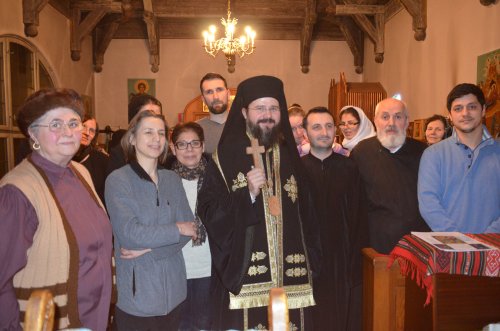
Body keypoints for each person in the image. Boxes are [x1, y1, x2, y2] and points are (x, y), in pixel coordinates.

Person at [197, 75, 320, 330]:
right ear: (244, 112)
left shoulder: (290, 155)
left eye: (274, 108)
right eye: (260, 108)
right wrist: (247, 195)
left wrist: (314, 261)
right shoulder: (226, 157)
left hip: (291, 273)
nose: (268, 114)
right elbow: (208, 210)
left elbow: (309, 213)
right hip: (244, 276)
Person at [0, 88, 112, 330]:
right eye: (55, 125)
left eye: (73, 123)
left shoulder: (80, 172)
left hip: (95, 316)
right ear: (33, 134)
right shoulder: (17, 192)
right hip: (53, 322)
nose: (68, 132)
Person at [105, 110, 197, 330]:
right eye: (148, 132)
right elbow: (130, 234)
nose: (156, 139)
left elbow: (190, 229)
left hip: (174, 295)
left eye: (161, 133)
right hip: (139, 299)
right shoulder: (118, 180)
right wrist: (176, 229)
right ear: (132, 138)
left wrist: (150, 250)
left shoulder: (172, 179)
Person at [301, 107, 367, 331]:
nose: (324, 132)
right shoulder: (296, 172)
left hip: (342, 260)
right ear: (305, 132)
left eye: (329, 126)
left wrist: (354, 261)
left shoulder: (350, 168)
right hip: (306, 260)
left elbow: (359, 218)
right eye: (316, 127)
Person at [350, 98, 430, 254]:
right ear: (375, 121)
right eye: (385, 117)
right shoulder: (361, 152)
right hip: (374, 244)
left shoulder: (423, 153)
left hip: (416, 243)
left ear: (407, 122)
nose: (391, 123)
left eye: (398, 117)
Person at [418, 83, 500, 233]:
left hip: (494, 247)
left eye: (472, 107)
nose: (465, 113)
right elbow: (428, 203)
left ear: (483, 110)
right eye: (458, 108)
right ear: (449, 115)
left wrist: (487, 238)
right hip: (448, 247)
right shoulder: (433, 155)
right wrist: (456, 239)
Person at [166, 122, 212, 331]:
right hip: (176, 268)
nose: (189, 150)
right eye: (182, 144)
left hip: (210, 267)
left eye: (194, 143)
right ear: (172, 148)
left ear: (203, 146)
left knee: (206, 324)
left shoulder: (217, 179)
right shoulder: (163, 181)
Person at [107, 94, 162, 175]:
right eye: (147, 115)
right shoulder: (119, 155)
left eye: (158, 116)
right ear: (133, 120)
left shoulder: (164, 150)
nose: (153, 120)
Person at [73, 115, 109, 202]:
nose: (87, 133)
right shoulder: (63, 159)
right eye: (84, 126)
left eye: (92, 131)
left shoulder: (103, 161)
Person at [197, 72, 230, 154]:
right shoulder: (195, 130)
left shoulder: (245, 125)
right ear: (203, 99)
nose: (215, 97)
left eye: (219, 90)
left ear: (228, 94)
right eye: (209, 92)